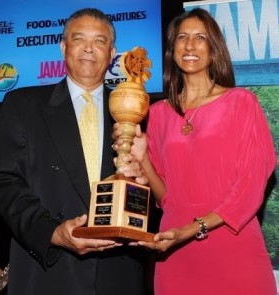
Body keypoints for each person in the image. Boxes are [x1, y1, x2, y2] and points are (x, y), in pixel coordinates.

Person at [114, 7, 277, 295]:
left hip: (233, 246)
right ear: (172, 49)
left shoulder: (241, 102)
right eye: (182, 37)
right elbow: (167, 198)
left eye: (200, 37)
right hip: (175, 253)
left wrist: (191, 229)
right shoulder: (158, 114)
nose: (190, 45)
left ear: (213, 50)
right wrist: (143, 160)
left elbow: (251, 186)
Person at [0, 8, 148, 295]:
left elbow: (158, 194)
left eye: (99, 41)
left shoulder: (133, 111)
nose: (88, 48)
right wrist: (52, 232)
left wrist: (142, 180)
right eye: (78, 38)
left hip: (117, 274)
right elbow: (3, 183)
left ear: (112, 54)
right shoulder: (22, 104)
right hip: (50, 270)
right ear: (63, 47)